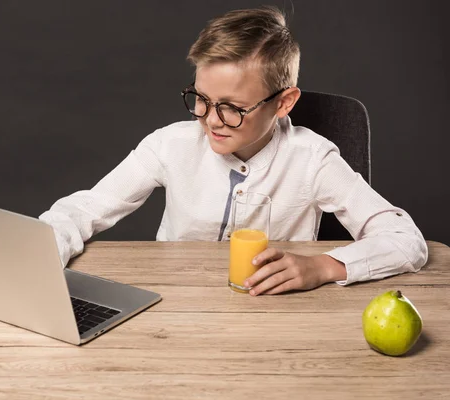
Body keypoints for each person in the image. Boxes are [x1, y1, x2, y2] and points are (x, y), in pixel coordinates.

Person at [39, 6, 427, 295]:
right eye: (201, 99)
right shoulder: (169, 144)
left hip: (272, 316)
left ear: (284, 103)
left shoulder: (312, 159)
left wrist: (325, 266)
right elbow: (82, 210)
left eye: (232, 108)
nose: (210, 119)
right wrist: (39, 260)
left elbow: (406, 240)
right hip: (175, 304)